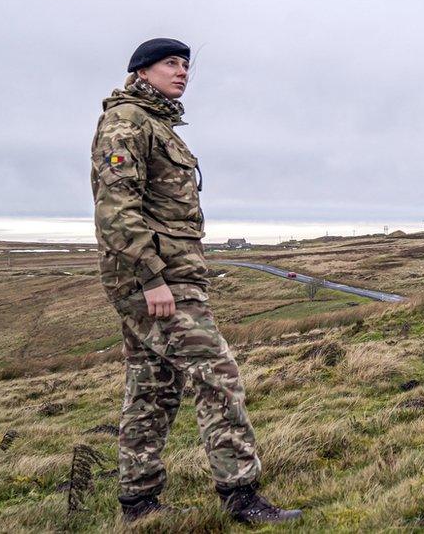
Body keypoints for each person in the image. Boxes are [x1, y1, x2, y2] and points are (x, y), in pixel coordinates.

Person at [90, 37, 301, 524]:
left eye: (186, 65)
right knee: (217, 373)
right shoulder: (127, 122)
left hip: (169, 276)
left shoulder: (156, 124)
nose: (182, 72)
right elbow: (116, 209)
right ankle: (241, 495)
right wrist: (151, 279)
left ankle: (138, 503)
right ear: (142, 71)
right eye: (171, 64)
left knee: (153, 385)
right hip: (155, 281)